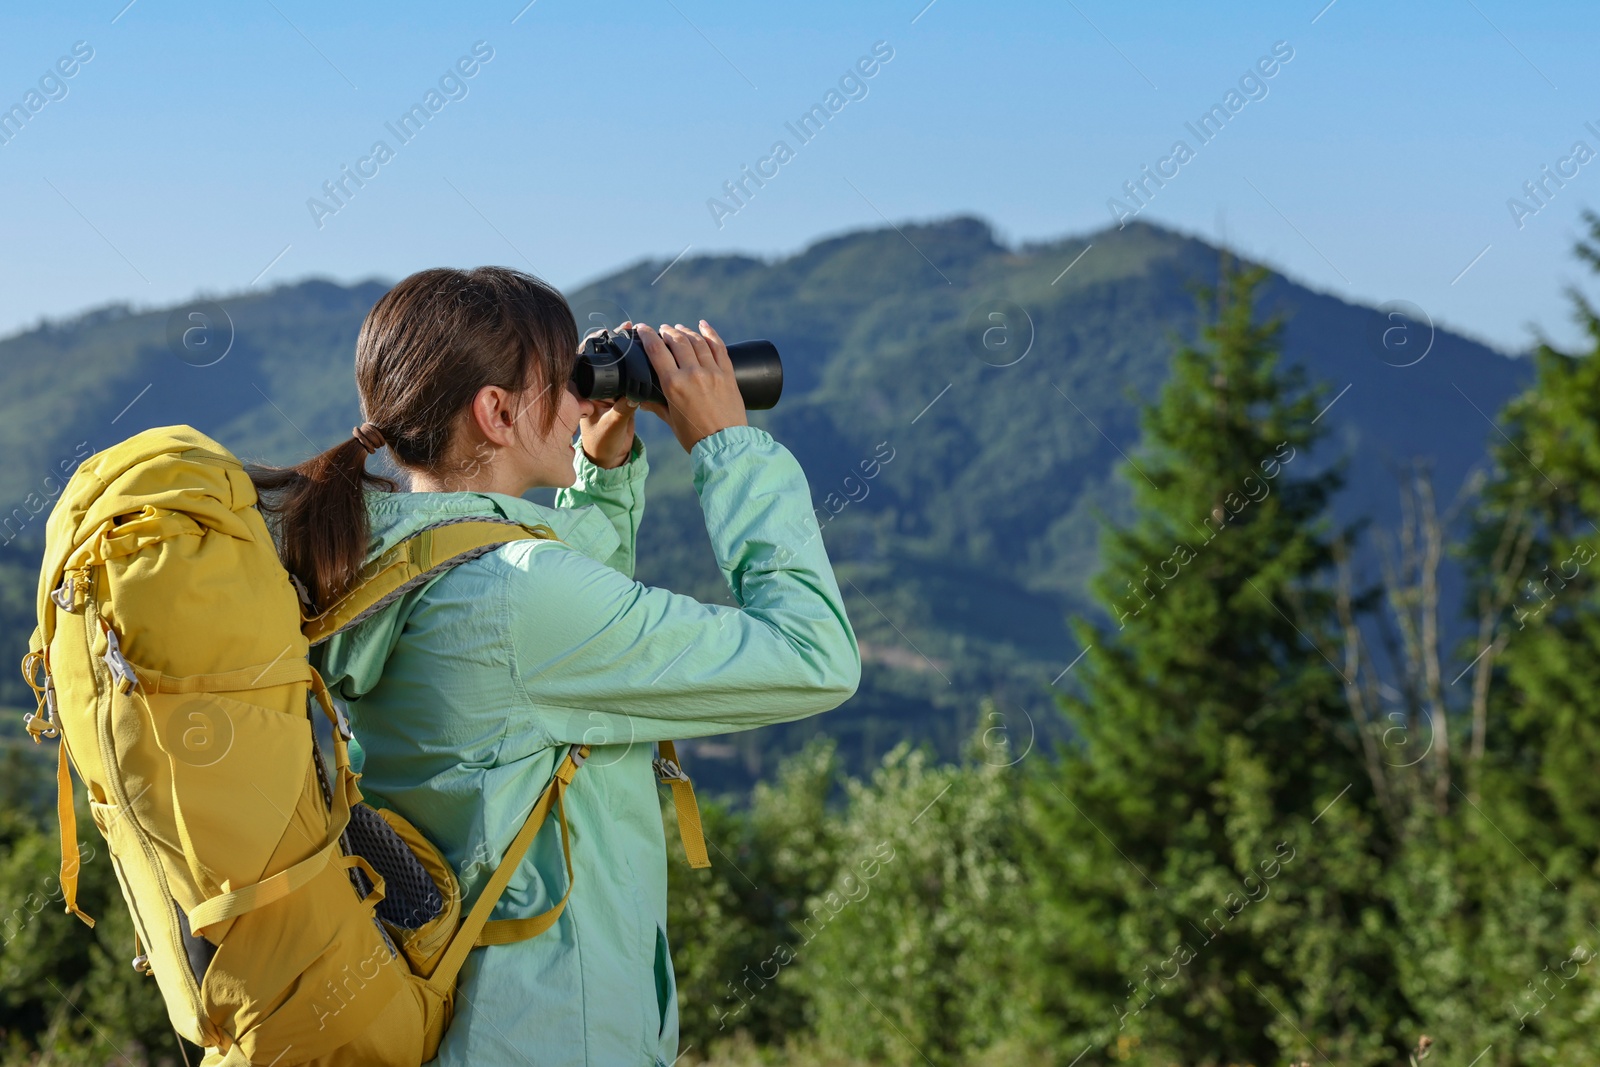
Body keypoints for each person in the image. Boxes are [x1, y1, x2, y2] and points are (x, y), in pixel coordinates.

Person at [250, 266, 860, 1065]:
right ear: (497, 412)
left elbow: (535, 656)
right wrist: (729, 446)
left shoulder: (383, 562)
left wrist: (603, 477)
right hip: (554, 1032)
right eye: (559, 383)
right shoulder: (520, 600)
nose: (578, 401)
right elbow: (815, 657)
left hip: (469, 1022)